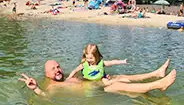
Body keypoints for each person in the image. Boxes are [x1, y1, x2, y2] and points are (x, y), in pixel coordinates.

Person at [18, 59, 176, 96]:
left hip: (96, 84)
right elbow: (46, 97)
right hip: (95, 90)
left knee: (121, 77)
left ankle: (155, 74)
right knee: (118, 85)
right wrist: (36, 88)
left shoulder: (65, 77)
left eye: (58, 67)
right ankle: (159, 84)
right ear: (46, 74)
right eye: (53, 69)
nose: (58, 70)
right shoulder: (52, 85)